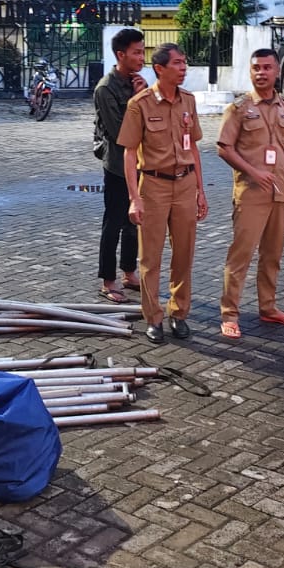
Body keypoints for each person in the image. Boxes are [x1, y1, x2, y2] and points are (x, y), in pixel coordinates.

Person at [217, 48, 284, 339]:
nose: (261, 72)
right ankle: (229, 314)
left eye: (267, 67)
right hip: (250, 193)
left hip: (280, 192)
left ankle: (268, 308)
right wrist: (254, 172)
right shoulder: (239, 109)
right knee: (241, 255)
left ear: (276, 72)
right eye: (256, 67)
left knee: (273, 254)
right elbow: (224, 148)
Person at [116, 44, 208, 343]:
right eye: (178, 63)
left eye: (185, 63)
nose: (184, 68)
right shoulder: (139, 104)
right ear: (160, 68)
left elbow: (192, 147)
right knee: (150, 258)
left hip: (185, 184)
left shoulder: (188, 102)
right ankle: (153, 317)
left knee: (184, 254)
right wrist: (134, 197)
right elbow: (130, 154)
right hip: (153, 186)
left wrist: (200, 191)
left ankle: (179, 313)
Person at [94, 29, 148, 304]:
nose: (142, 57)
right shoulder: (106, 88)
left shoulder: (137, 81)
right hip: (116, 165)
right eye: (136, 52)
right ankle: (108, 280)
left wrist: (143, 94)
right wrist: (137, 100)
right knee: (113, 222)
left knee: (134, 223)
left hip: (140, 164)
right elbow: (120, 132)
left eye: (142, 51)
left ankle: (129, 272)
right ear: (120, 54)